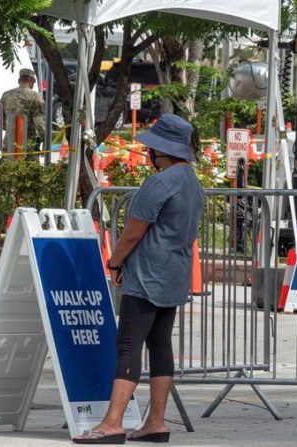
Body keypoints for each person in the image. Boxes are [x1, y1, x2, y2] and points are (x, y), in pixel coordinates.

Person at [73, 114, 204, 444]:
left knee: (129, 345)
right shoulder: (192, 182)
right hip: (176, 274)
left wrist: (114, 263)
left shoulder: (157, 184)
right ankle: (156, 422)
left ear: (161, 150)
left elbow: (132, 234)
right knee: (160, 345)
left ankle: (112, 422)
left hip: (147, 276)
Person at [0, 68, 45, 158]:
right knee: (29, 170)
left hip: (9, 143)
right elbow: (39, 123)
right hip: (28, 145)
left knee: (7, 170)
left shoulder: (6, 95)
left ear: (19, 80)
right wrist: (45, 140)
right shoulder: (36, 97)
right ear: (33, 81)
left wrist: (10, 127)